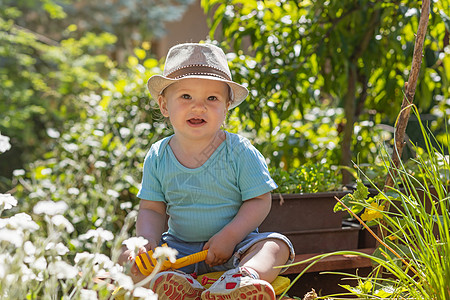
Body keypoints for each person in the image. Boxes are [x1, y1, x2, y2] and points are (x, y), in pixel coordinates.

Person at [120, 43, 295, 300]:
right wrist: (147, 240)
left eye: (212, 98)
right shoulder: (158, 155)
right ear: (165, 105)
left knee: (275, 245)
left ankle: (243, 278)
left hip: (237, 245)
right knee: (128, 255)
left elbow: (258, 200)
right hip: (178, 251)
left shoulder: (239, 151)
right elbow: (151, 209)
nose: (199, 107)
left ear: (226, 107)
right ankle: (175, 285)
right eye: (186, 97)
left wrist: (230, 235)